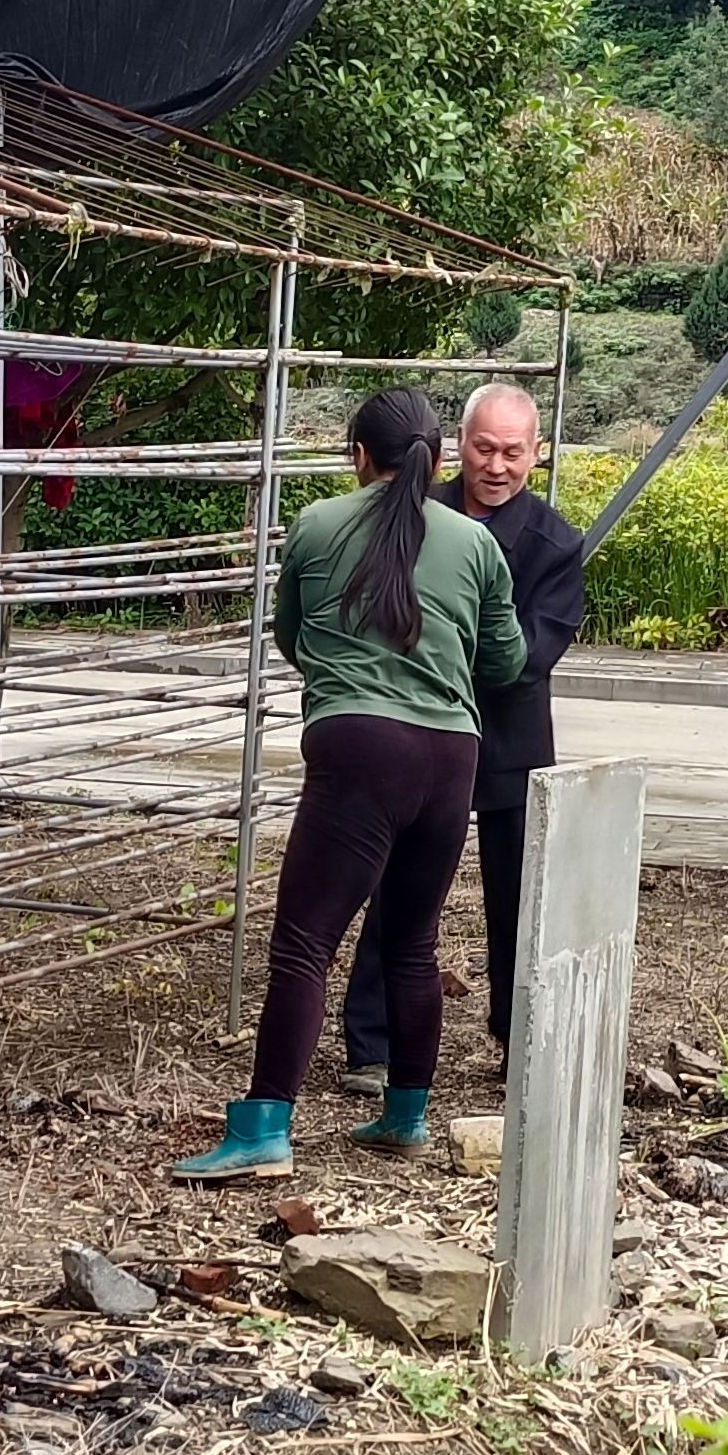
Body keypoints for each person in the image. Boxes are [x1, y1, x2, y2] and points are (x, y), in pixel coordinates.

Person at [173, 387, 524, 1179]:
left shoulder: (317, 524)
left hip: (359, 748)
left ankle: (264, 1128)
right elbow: (504, 661)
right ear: (439, 457)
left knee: (304, 945)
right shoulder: (475, 543)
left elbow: (292, 635)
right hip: (451, 755)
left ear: (357, 456)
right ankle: (405, 1118)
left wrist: (349, 675)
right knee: (412, 943)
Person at [337, 383, 581, 1093]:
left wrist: (440, 651)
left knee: (517, 900)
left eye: (512, 452)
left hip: (507, 741)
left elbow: (532, 655)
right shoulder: (412, 511)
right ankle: (372, 1042)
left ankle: (516, 1038)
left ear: (536, 454)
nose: (496, 466)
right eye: (483, 448)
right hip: (416, 729)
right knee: (397, 885)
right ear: (456, 446)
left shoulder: (555, 544)